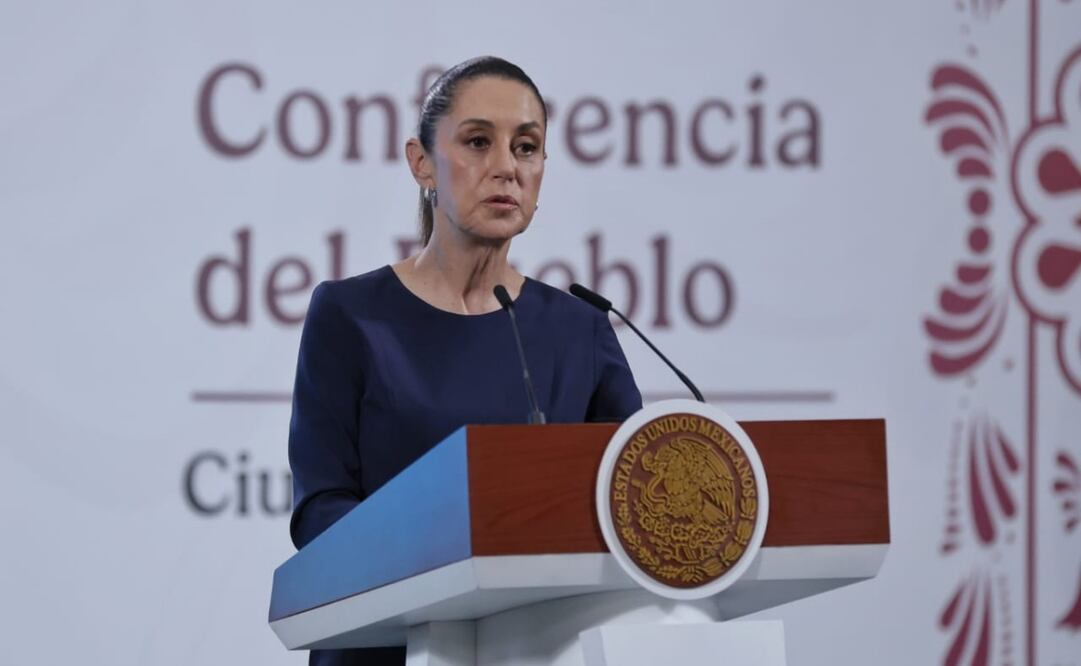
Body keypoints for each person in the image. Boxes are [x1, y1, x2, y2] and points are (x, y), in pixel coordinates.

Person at [287, 56, 643, 666]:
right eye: (478, 141)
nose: (506, 166)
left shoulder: (579, 330)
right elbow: (321, 510)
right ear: (421, 163)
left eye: (527, 147)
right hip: (384, 648)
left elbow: (635, 500)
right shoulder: (350, 315)